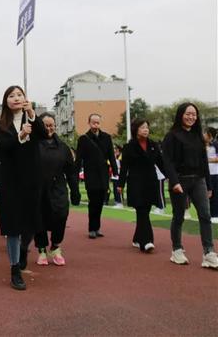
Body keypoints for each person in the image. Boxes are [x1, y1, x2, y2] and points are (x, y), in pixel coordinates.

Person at [0, 86, 43, 290]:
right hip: (9, 180)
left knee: (30, 222)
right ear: (6, 101)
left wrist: (32, 115)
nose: (16, 98)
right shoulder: (0, 124)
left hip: (31, 179)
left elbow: (44, 135)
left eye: (19, 95)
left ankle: (22, 249)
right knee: (11, 226)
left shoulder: (32, 119)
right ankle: (14, 270)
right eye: (11, 96)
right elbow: (1, 148)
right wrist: (20, 135)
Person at [162, 103, 217, 269]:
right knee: (178, 216)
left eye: (194, 114)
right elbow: (167, 162)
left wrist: (208, 185)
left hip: (198, 180)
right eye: (188, 114)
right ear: (181, 115)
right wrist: (174, 182)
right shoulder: (172, 136)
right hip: (180, 181)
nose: (191, 117)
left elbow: (204, 163)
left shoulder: (198, 136)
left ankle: (209, 253)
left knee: (205, 216)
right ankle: (177, 250)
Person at [34, 113, 81, 266]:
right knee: (39, 218)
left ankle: (55, 246)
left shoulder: (63, 147)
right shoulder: (32, 145)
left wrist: (75, 191)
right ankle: (41, 249)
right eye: (45, 125)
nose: (49, 128)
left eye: (51, 125)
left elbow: (71, 172)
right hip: (38, 188)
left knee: (61, 215)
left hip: (58, 188)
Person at [117, 119, 168, 253]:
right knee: (142, 211)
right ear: (136, 130)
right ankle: (147, 241)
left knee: (144, 211)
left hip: (151, 182)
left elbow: (161, 163)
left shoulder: (153, 145)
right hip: (136, 183)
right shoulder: (129, 147)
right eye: (142, 127)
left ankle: (137, 238)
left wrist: (171, 178)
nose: (146, 130)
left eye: (147, 127)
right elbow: (124, 168)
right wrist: (120, 184)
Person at [75, 113, 118, 239]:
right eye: (93, 122)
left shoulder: (106, 137)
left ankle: (97, 227)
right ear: (89, 123)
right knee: (93, 201)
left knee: (100, 201)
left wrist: (115, 171)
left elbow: (111, 155)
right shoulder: (83, 139)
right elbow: (79, 158)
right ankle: (92, 228)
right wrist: (75, 174)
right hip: (91, 174)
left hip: (103, 173)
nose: (96, 124)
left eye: (98, 122)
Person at [204, 127, 218, 223]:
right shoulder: (201, 145)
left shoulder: (216, 145)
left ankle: (215, 215)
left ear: (210, 135)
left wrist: (207, 160)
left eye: (205, 133)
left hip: (215, 173)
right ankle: (206, 215)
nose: (203, 135)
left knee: (215, 195)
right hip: (204, 174)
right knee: (204, 196)